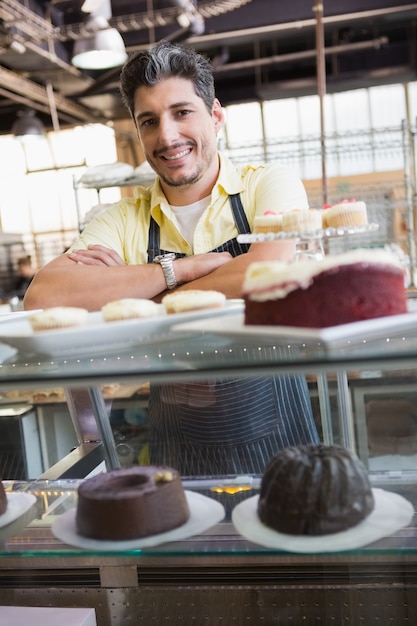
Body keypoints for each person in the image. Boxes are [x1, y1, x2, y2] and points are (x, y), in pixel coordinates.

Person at [24, 41, 319, 476]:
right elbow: (43, 298)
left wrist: (145, 297)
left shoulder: (269, 186)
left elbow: (267, 269)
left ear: (215, 116)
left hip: (280, 436)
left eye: (182, 112)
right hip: (178, 447)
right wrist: (176, 269)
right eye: (149, 121)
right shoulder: (124, 218)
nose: (167, 136)